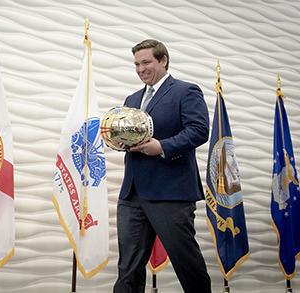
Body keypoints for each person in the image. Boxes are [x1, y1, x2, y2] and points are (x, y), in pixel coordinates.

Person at [113, 39, 212, 293]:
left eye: (146, 62)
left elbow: (199, 131)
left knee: (187, 265)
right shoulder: (132, 98)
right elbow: (129, 135)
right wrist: (117, 140)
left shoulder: (186, 91)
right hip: (132, 193)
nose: (140, 69)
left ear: (163, 60)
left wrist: (162, 147)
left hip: (171, 192)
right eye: (136, 64)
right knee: (128, 269)